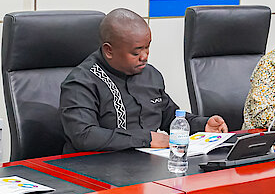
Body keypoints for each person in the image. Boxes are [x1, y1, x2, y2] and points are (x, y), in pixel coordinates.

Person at [60, 8, 228, 153]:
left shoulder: (150, 75)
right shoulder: (81, 82)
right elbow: (83, 136)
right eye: (136, 52)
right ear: (109, 51)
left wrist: (202, 125)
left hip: (146, 166)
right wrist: (146, 139)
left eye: (147, 47)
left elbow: (169, 116)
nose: (144, 56)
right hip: (97, 169)